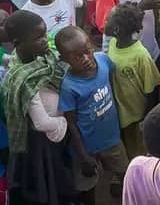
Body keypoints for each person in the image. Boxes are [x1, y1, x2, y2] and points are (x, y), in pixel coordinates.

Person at [0, 10, 77, 204]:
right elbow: (41, 123)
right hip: (42, 138)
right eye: (38, 38)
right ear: (17, 42)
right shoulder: (20, 76)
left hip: (56, 130)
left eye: (44, 34)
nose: (45, 41)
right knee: (50, 177)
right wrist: (64, 122)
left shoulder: (43, 57)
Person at [56, 26, 128, 199]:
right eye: (77, 57)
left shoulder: (103, 60)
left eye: (87, 51)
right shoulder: (69, 87)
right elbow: (71, 123)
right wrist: (83, 155)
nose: (86, 59)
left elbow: (111, 82)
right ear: (64, 59)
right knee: (88, 184)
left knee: (124, 172)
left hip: (112, 138)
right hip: (87, 147)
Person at [105, 2, 160, 161]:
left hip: (135, 115)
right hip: (118, 109)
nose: (105, 21)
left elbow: (152, 89)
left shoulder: (141, 55)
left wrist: (146, 118)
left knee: (137, 151)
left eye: (108, 20)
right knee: (125, 144)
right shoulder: (113, 43)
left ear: (116, 29)